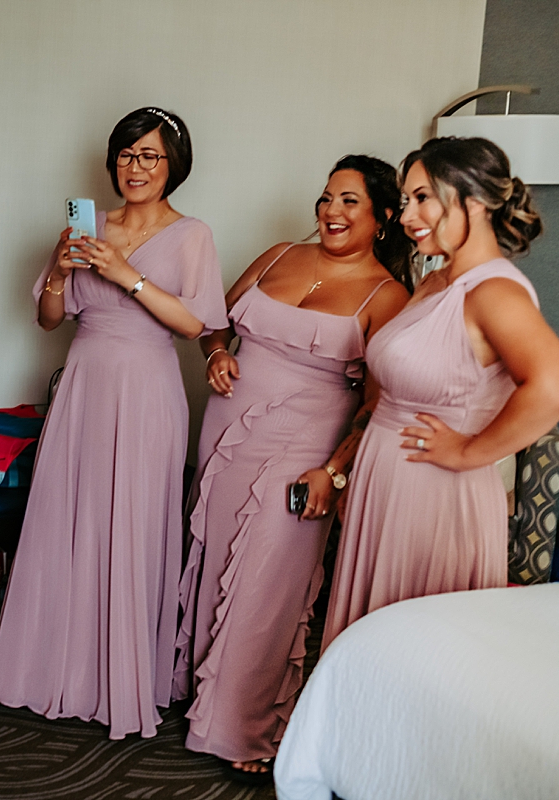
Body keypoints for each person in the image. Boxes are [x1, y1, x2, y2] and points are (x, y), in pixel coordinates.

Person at [0, 107, 228, 739]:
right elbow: (52, 318)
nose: (136, 168)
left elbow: (195, 325)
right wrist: (60, 269)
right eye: (127, 155)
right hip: (83, 383)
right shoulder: (88, 227)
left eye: (150, 156)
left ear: (173, 167)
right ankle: (22, 670)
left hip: (147, 390)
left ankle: (121, 678)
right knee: (61, 519)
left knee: (130, 523)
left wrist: (124, 274)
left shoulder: (193, 236)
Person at [172, 155, 411, 782]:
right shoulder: (279, 255)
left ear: (384, 217)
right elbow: (213, 322)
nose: (331, 211)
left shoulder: (389, 295)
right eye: (327, 198)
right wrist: (219, 352)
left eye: (349, 202)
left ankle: (246, 724)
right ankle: (201, 695)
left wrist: (333, 473)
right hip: (228, 430)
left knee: (270, 581)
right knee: (216, 558)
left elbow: (379, 400)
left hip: (307, 442)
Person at [322, 136, 559, 650]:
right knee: (371, 644)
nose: (408, 213)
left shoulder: (494, 291)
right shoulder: (436, 282)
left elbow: (555, 387)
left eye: (423, 198)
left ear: (474, 202)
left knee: (414, 649)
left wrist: (466, 452)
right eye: (406, 198)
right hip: (387, 482)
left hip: (436, 494)